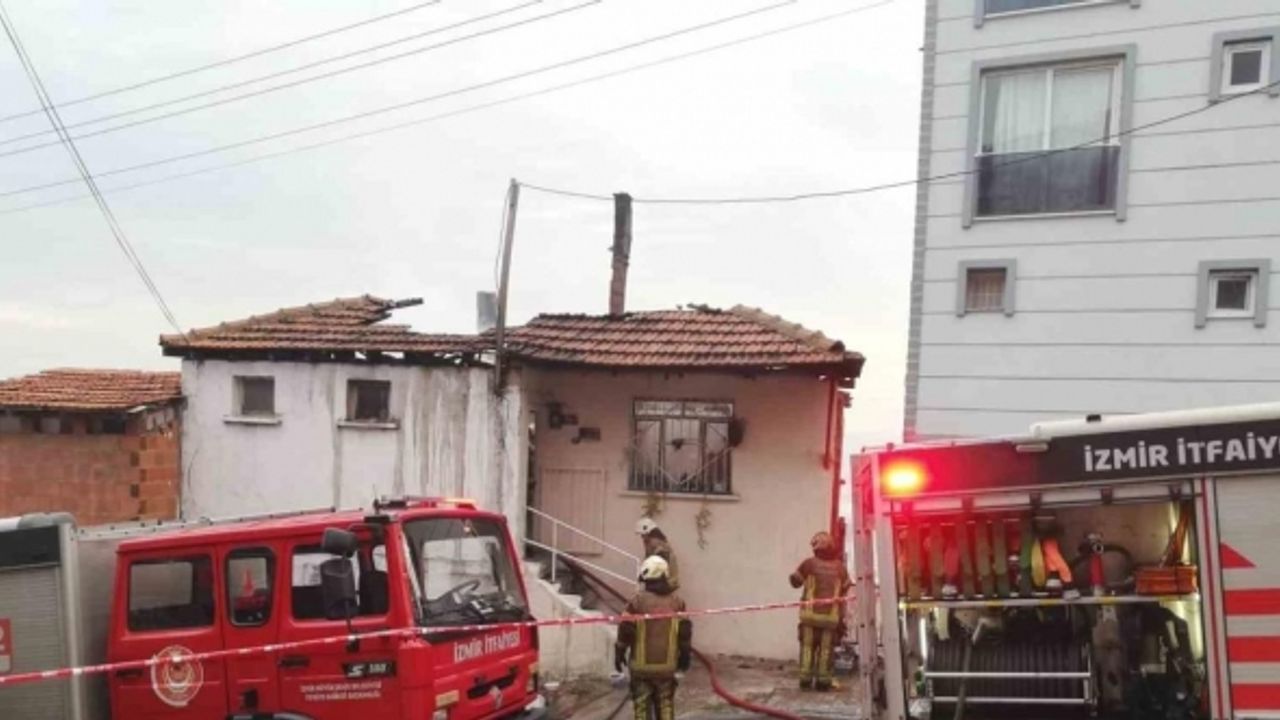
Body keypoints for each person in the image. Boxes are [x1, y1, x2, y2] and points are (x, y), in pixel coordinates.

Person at [616, 556, 691, 720]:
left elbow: (625, 629)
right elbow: (685, 632)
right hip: (667, 668)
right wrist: (685, 656)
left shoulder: (637, 602)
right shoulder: (677, 602)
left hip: (641, 668)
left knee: (642, 707)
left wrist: (619, 651)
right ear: (664, 575)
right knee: (665, 705)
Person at [790, 530, 851, 690]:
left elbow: (795, 581)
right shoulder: (840, 568)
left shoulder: (809, 564)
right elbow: (846, 588)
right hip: (830, 619)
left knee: (807, 647)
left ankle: (805, 679)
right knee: (826, 649)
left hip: (809, 616)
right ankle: (823, 681)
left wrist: (794, 576)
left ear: (817, 547)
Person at [635, 517, 680, 590]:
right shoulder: (651, 542)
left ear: (649, 532)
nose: (642, 538)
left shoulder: (656, 543)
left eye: (643, 535)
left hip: (667, 581)